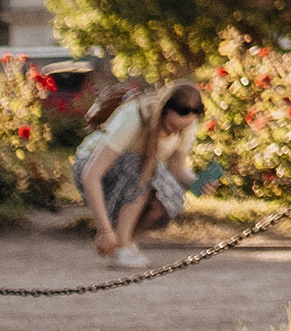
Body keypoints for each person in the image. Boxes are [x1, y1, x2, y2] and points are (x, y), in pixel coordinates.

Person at [75, 80, 206, 264]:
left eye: (182, 128)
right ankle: (120, 246)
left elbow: (177, 168)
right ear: (163, 112)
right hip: (92, 168)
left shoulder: (187, 125)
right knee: (141, 165)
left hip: (136, 173)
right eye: (171, 127)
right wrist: (103, 230)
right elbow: (91, 175)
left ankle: (123, 242)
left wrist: (198, 182)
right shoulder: (134, 117)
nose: (176, 132)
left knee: (170, 198)